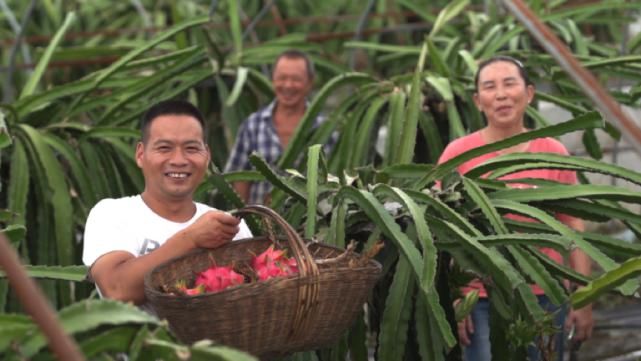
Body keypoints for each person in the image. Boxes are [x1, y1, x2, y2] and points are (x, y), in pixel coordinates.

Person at [437, 56, 593, 361]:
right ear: (478, 101)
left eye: (510, 84)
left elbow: (573, 225)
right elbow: (440, 232)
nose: (501, 94)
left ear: (529, 93)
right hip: (478, 298)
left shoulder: (552, 152)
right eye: (490, 87)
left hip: (545, 296)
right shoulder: (458, 155)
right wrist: (455, 299)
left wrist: (585, 297)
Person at [82, 100, 252, 307]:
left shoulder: (230, 226)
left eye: (191, 148)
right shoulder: (112, 214)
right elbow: (118, 290)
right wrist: (191, 239)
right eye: (164, 148)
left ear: (206, 156)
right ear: (140, 154)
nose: (179, 160)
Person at [225, 49, 331, 204]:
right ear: (273, 79)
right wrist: (244, 222)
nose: (288, 85)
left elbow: (333, 180)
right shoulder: (253, 125)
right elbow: (240, 179)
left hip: (309, 225)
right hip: (260, 223)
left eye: (296, 79)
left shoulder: (325, 129)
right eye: (282, 78)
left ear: (310, 82)